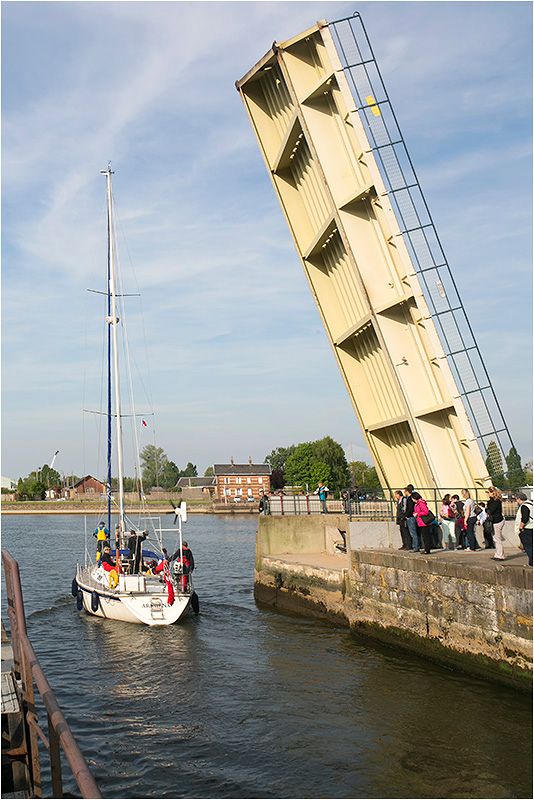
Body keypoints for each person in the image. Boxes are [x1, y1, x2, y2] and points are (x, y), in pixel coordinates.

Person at [514, 492, 533, 567]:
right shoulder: (531, 504)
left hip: (527, 529)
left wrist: (520, 527)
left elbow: (525, 518)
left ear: (519, 499)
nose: (516, 501)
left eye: (516, 499)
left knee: (528, 546)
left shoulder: (524, 506)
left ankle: (532, 562)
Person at [487, 486, 506, 561]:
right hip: (496, 520)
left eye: (489, 492)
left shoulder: (495, 501)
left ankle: (500, 555)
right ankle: (498, 554)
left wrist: (486, 508)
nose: (488, 494)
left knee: (497, 539)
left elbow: (490, 510)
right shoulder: (495, 501)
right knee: (496, 538)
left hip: (497, 521)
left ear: (493, 493)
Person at [403, 485, 419, 552]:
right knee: (415, 532)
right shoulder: (411, 498)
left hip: (411, 517)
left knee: (413, 533)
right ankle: (416, 546)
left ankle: (415, 547)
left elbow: (410, 509)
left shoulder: (410, 498)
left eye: (405, 491)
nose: (404, 492)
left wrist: (407, 515)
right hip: (413, 516)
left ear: (407, 491)